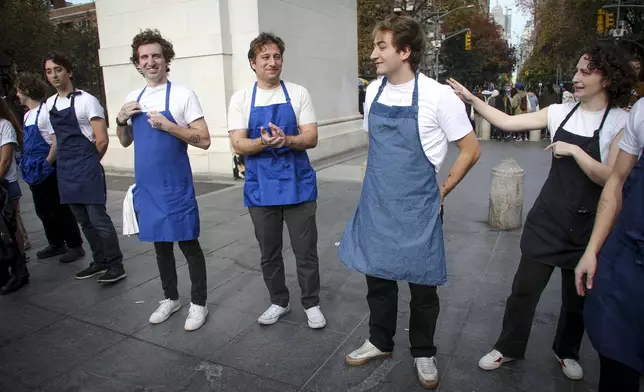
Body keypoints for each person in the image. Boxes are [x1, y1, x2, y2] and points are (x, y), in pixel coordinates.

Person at [447, 43, 635, 381]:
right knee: (523, 290)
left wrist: (576, 151)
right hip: (548, 219)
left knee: (576, 299)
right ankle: (508, 347)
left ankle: (567, 352)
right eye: (576, 70)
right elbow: (507, 121)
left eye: (584, 72)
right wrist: (472, 100)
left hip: (588, 227)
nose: (576, 78)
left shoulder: (622, 120)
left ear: (606, 79)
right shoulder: (559, 111)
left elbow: (612, 176)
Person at [339, 15, 480, 389]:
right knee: (378, 281)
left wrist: (444, 189)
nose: (373, 54)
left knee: (423, 286)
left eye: (381, 46)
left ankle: (424, 351)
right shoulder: (373, 92)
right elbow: (375, 145)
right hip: (378, 203)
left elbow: (470, 148)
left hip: (419, 207)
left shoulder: (438, 96)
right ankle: (380, 341)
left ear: (404, 51)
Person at [228, 33, 326, 329]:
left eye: (277, 57)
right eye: (265, 57)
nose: (272, 62)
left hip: (299, 185)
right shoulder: (241, 99)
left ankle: (311, 303)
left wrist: (287, 139)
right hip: (261, 187)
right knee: (269, 252)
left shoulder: (298, 93)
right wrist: (264, 142)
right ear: (252, 63)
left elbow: (311, 138)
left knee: (305, 251)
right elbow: (238, 144)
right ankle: (278, 301)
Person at [116, 29, 211, 331]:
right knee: (160, 247)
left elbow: (205, 140)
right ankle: (171, 298)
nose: (151, 61)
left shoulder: (183, 95)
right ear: (138, 63)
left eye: (156, 55)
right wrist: (120, 120)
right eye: (144, 57)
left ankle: (198, 303)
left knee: (188, 244)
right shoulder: (134, 98)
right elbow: (124, 141)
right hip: (148, 186)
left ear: (166, 59)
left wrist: (170, 126)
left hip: (175, 185)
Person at [574, 94, 644, 392]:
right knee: (618, 358)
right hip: (629, 260)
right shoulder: (642, 111)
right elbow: (616, 182)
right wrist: (592, 250)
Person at [44, 51, 125, 283]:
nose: (54, 75)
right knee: (83, 221)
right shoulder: (50, 104)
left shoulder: (87, 100)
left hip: (86, 166)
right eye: (49, 71)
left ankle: (115, 264)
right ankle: (99, 262)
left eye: (58, 69)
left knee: (98, 219)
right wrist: (48, 163)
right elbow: (57, 139)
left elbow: (102, 139)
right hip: (66, 170)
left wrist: (89, 164)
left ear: (68, 71)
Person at [15, 72, 85, 264]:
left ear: (27, 90)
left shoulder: (45, 112)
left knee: (59, 208)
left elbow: (56, 142)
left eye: (19, 90)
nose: (17, 95)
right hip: (34, 170)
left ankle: (74, 245)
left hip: (48, 168)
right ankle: (55, 242)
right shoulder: (28, 114)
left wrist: (46, 164)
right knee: (43, 209)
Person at [0, 97, 29, 294]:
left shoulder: (4, 126)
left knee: (10, 229)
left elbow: (5, 160)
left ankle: (20, 271)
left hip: (5, 185)